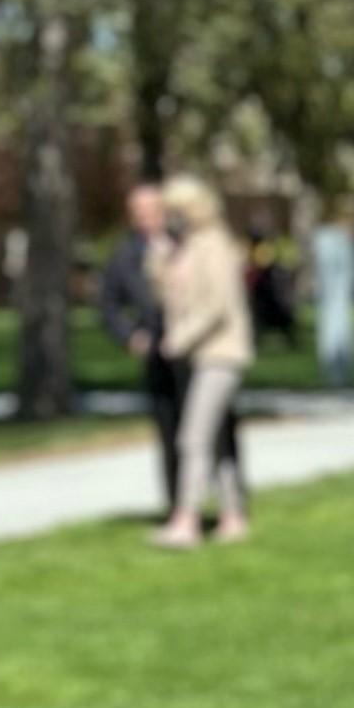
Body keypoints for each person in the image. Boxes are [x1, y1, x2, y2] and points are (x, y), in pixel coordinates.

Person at [148, 177, 251, 544]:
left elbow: (217, 305)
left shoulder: (215, 245)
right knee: (217, 437)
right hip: (197, 356)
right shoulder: (184, 247)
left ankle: (186, 519)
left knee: (193, 436)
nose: (167, 217)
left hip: (221, 354)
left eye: (173, 210)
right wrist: (160, 257)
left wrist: (182, 336)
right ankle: (233, 516)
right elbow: (166, 294)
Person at [99, 178, 183, 514]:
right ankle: (178, 505)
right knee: (168, 432)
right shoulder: (124, 255)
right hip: (156, 353)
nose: (145, 216)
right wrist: (130, 335)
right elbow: (107, 305)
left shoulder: (184, 244)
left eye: (151, 209)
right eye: (138, 211)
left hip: (193, 349)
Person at [311, 203, 354, 390]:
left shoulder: (325, 239)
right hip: (336, 296)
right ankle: (337, 371)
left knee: (336, 326)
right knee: (336, 327)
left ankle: (338, 371)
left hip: (336, 297)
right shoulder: (335, 239)